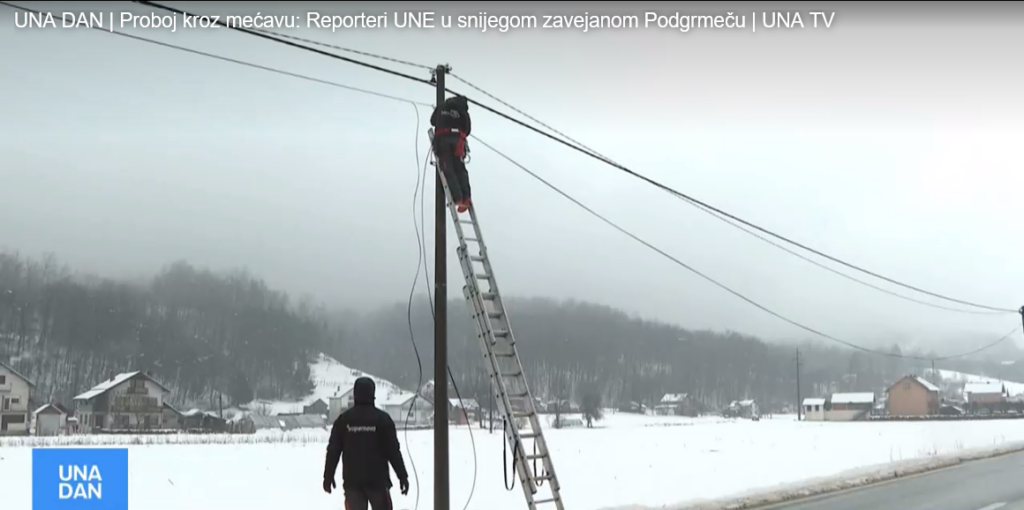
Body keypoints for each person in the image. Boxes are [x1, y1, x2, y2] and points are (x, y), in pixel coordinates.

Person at [323, 377, 410, 510]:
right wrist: (402, 476)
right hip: (378, 483)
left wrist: (328, 476)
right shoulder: (383, 420)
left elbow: (333, 451)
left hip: (353, 484)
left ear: (355, 394)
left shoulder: (343, 420)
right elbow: (393, 452)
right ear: (372, 393)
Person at [430, 94, 472, 213]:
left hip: (442, 139)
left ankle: (457, 197)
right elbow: (467, 129)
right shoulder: (462, 110)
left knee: (448, 168)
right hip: (457, 141)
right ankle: (466, 197)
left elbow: (432, 121)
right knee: (460, 168)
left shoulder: (442, 106)